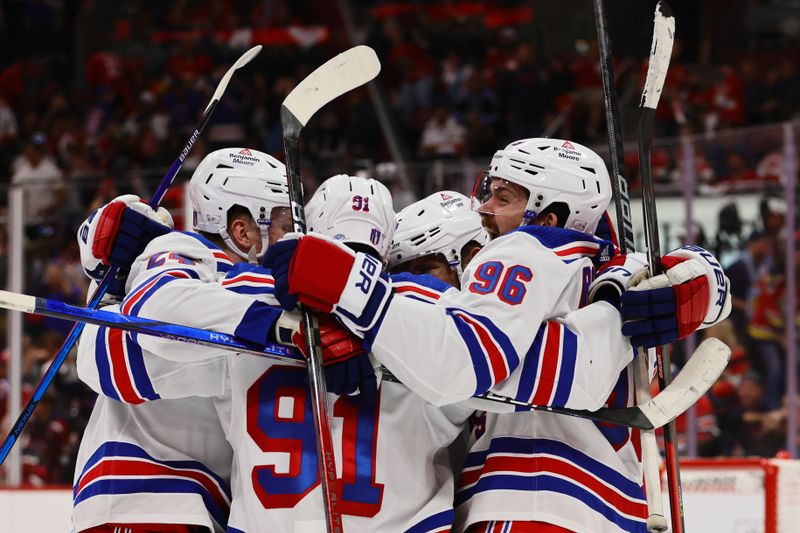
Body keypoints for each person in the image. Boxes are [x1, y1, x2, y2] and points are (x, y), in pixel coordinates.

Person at [267, 138, 732, 532]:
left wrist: (348, 290)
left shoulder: (524, 249)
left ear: (548, 218)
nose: (484, 210)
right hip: (611, 507)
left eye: (503, 198)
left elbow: (468, 360)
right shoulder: (616, 270)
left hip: (530, 499)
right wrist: (709, 279)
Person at [77, 171, 474, 532]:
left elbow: (110, 356)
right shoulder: (429, 308)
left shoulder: (240, 290)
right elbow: (496, 365)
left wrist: (116, 281)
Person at [72, 147, 295, 533]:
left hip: (196, 503)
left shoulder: (240, 282)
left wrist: (105, 289)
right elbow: (118, 352)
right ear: (242, 231)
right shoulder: (186, 254)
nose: (292, 236)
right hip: (145, 495)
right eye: (281, 223)